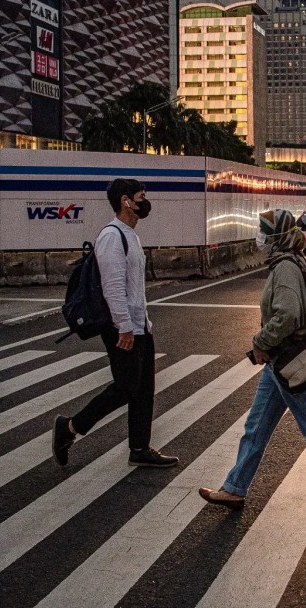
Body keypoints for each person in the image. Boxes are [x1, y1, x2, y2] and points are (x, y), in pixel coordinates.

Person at [200, 209, 306, 513]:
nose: (260, 238)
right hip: (279, 363)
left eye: (264, 232)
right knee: (257, 426)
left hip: (288, 360)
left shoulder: (286, 267)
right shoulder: (286, 262)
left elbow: (288, 314)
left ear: (276, 237)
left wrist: (260, 342)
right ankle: (235, 488)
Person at [51, 179, 178, 469]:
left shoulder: (130, 234)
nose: (145, 202)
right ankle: (70, 427)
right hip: (122, 327)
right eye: (141, 197)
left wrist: (140, 324)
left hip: (138, 325)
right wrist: (124, 326)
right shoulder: (111, 236)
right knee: (125, 387)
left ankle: (140, 447)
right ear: (125, 201)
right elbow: (112, 287)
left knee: (143, 389)